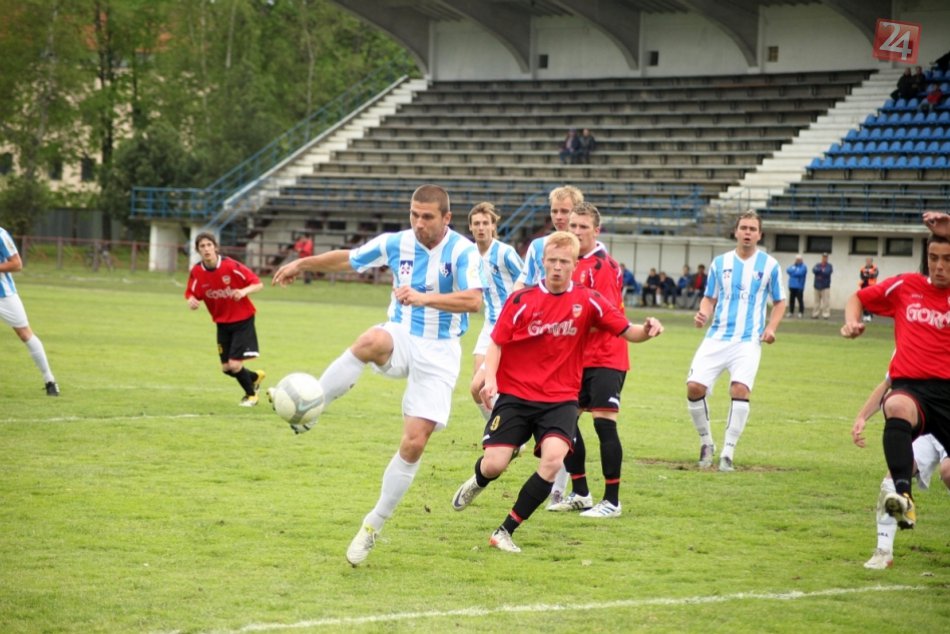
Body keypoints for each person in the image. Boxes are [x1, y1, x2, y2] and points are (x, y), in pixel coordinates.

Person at [271, 184, 484, 567]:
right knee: (371, 339)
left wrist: (424, 297)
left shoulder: (463, 251)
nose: (419, 224)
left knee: (414, 444)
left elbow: (473, 299)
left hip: (439, 351)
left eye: (428, 217)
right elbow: (349, 259)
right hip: (400, 334)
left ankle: (372, 526)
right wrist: (302, 264)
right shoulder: (397, 243)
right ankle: (313, 404)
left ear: (447, 218)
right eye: (414, 215)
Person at [450, 231, 663, 553]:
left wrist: (647, 330)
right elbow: (497, 342)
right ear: (543, 262)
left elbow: (627, 331)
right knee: (495, 464)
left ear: (575, 265)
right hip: (517, 395)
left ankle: (505, 531)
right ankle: (479, 480)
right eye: (552, 261)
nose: (557, 267)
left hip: (561, 399)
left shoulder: (588, 299)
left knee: (552, 460)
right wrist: (490, 376)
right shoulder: (522, 300)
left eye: (564, 262)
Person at [840, 226, 950, 533]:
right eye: (933, 258)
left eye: (947, 259)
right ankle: (903, 496)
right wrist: (852, 322)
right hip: (913, 390)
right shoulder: (906, 286)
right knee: (897, 404)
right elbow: (857, 298)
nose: (939, 265)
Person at [546, 203, 634, 518]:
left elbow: (606, 315)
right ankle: (581, 492)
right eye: (573, 226)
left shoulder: (603, 266)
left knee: (603, 424)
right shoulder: (569, 263)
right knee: (564, 423)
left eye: (584, 227)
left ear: (596, 231)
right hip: (577, 358)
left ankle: (612, 500)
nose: (577, 231)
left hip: (606, 355)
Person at [686, 212, 786, 471]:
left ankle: (728, 453)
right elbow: (709, 297)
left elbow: (780, 301)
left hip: (748, 340)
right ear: (736, 232)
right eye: (744, 228)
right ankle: (707, 443)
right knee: (694, 387)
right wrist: (703, 314)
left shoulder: (770, 265)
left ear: (760, 234)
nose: (748, 232)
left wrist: (771, 328)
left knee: (740, 389)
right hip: (717, 336)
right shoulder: (720, 263)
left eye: (753, 229)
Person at [851, 376, 950, 570]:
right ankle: (883, 552)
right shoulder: (907, 349)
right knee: (894, 478)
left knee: (948, 472)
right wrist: (862, 416)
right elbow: (887, 382)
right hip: (923, 422)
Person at [185, 232, 266, 407]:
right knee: (227, 369)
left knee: (235, 365)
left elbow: (258, 283)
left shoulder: (231, 266)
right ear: (198, 250)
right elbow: (191, 292)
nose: (206, 249)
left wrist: (244, 291)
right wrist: (191, 300)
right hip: (222, 323)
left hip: (242, 320)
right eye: (202, 246)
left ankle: (252, 396)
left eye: (209, 245)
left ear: (215, 247)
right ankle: (254, 377)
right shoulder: (197, 271)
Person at [467, 202, 523, 421]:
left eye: (485, 223)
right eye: (476, 224)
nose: (481, 227)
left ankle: (500, 432)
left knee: (479, 386)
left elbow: (528, 280)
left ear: (493, 226)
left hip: (509, 327)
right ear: (470, 228)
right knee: (477, 390)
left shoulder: (505, 253)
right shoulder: (470, 254)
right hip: (489, 325)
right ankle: (498, 430)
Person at [0, 226, 59, 396]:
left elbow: (17, 264)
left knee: (25, 334)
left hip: (4, 295)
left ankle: (49, 380)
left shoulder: (1, 235)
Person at [514, 185, 583, 289]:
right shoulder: (538, 245)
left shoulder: (586, 249)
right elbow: (522, 282)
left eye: (564, 211)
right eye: (554, 211)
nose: (558, 217)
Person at [811, 253, 833, 319]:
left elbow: (827, 272)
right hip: (817, 285)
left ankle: (826, 315)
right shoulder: (818, 265)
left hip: (825, 286)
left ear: (827, 258)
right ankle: (815, 314)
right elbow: (814, 270)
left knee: (826, 302)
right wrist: (821, 270)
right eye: (823, 257)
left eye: (826, 257)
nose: (824, 258)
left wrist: (819, 272)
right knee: (816, 301)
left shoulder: (829, 266)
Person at [858, 256, 879, 322]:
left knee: (870, 301)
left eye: (869, 261)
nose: (868, 262)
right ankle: (865, 315)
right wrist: (868, 275)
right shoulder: (863, 268)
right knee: (864, 301)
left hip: (871, 286)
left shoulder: (875, 268)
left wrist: (867, 275)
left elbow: (874, 275)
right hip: (864, 286)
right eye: (867, 261)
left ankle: (870, 315)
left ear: (871, 261)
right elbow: (862, 276)